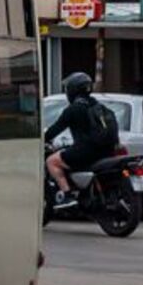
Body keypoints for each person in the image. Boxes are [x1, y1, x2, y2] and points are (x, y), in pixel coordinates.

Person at [45, 72, 118, 205]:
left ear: (73, 90)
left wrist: (43, 139)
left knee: (51, 161)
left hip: (86, 152)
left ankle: (67, 194)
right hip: (106, 151)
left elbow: (55, 130)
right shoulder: (99, 106)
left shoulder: (73, 109)